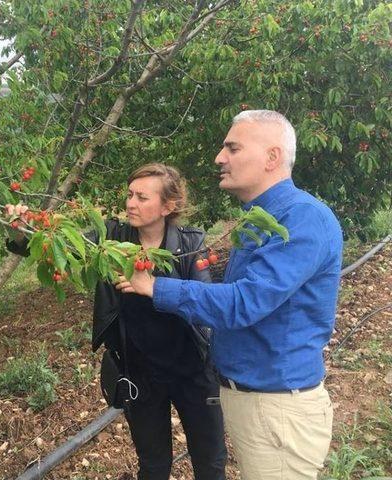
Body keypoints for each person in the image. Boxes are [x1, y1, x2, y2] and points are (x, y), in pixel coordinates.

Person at [116, 110, 343, 480]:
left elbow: (242, 303)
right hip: (249, 398)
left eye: (232, 148)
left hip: (277, 406)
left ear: (272, 157)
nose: (219, 158)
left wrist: (155, 286)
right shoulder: (258, 219)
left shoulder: (301, 219)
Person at [7, 163, 227, 480]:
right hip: (140, 374)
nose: (130, 204)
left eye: (142, 197)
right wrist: (22, 231)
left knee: (210, 463)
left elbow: (204, 302)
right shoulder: (110, 237)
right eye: (129, 195)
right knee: (153, 466)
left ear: (169, 206)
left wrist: (154, 287)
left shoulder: (190, 245)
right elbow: (62, 246)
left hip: (192, 372)